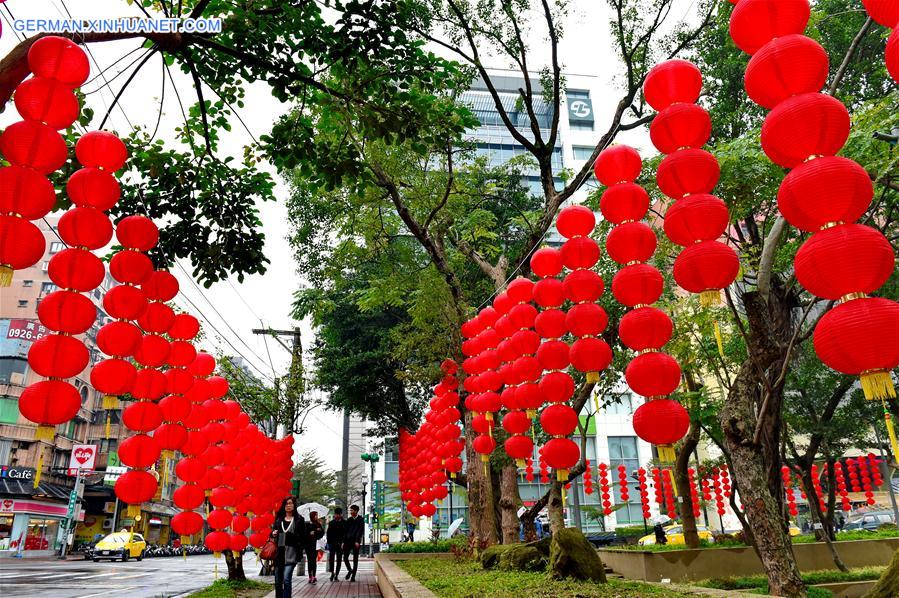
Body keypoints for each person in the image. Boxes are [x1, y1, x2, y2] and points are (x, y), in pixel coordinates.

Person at [272, 496, 306, 598]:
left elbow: (303, 537)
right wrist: (273, 533)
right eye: (286, 504)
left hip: (292, 553)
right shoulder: (279, 519)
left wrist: (293, 537)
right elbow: (272, 533)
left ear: (294, 505)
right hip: (279, 553)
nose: (288, 506)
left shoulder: (299, 520)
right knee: (278, 581)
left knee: (287, 580)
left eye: (290, 503)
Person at [343, 504, 364, 582]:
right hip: (348, 541)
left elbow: (360, 531)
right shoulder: (349, 520)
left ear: (356, 511)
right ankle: (350, 570)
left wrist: (357, 541)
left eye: (352, 510)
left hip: (355, 542)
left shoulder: (360, 519)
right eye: (350, 510)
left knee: (355, 559)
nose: (350, 512)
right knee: (345, 558)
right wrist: (343, 542)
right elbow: (345, 532)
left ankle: (353, 576)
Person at [303, 511, 324, 584]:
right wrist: (309, 533)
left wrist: (319, 530)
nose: (317, 517)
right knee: (310, 561)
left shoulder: (318, 524)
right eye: (315, 515)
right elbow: (304, 535)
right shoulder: (307, 524)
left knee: (314, 561)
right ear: (312, 516)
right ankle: (310, 576)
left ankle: (314, 576)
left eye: (317, 515)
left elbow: (321, 534)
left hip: (316, 545)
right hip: (308, 545)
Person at [326, 507, 347, 581]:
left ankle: (336, 574)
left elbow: (346, 534)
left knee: (339, 560)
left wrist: (343, 542)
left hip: (341, 544)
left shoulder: (344, 523)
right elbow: (328, 534)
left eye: (339, 514)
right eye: (336, 514)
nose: (337, 516)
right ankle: (332, 573)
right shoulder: (331, 523)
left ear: (341, 514)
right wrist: (329, 543)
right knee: (331, 559)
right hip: (332, 544)